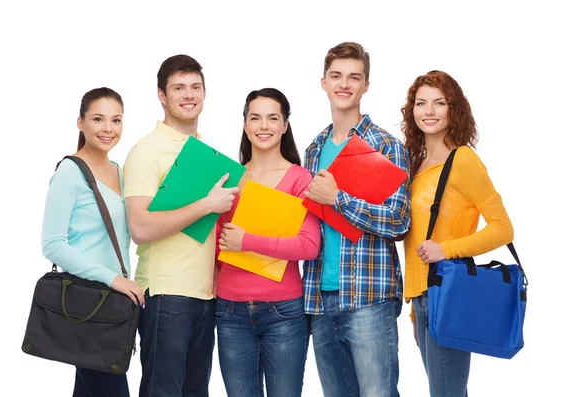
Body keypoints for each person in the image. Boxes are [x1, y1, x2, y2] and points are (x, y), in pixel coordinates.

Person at [123, 54, 238, 397]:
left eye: (195, 87)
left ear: (204, 93)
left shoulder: (205, 152)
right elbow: (140, 227)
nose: (189, 95)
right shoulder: (147, 150)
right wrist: (206, 205)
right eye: (178, 88)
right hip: (167, 295)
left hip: (205, 296)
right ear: (162, 95)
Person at [302, 42, 411, 397]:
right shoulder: (314, 149)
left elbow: (398, 221)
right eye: (336, 76)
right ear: (323, 82)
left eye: (354, 77)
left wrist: (338, 199)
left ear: (366, 85)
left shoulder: (386, 146)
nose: (344, 84)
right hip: (321, 297)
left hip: (369, 295)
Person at [401, 70, 514, 397]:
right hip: (423, 298)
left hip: (448, 294)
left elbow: (503, 228)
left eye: (439, 102)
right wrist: (413, 308)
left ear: (454, 109)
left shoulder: (462, 160)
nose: (429, 111)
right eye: (421, 103)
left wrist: (445, 250)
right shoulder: (417, 164)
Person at [215, 88, 321, 397]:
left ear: (285, 125)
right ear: (245, 124)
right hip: (230, 311)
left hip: (284, 312)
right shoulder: (229, 179)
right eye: (255, 118)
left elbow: (308, 245)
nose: (264, 126)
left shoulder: (300, 179)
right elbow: (218, 244)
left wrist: (247, 241)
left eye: (273, 118)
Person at [41, 87, 145, 397]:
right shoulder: (69, 173)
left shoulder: (118, 171)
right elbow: (53, 244)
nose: (108, 129)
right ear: (80, 123)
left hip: (113, 307)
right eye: (98, 119)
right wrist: (112, 278)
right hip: (88, 303)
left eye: (116, 120)